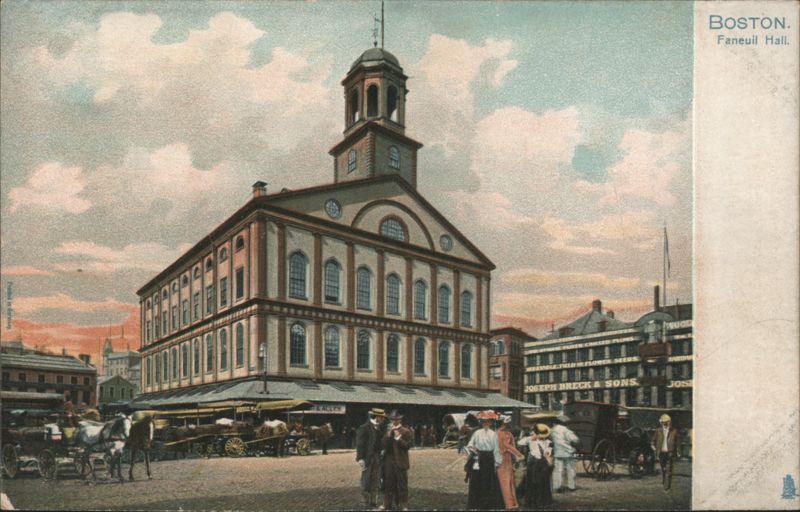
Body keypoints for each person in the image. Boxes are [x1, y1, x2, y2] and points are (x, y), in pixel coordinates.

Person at [465, 411, 504, 510]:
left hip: (489, 458)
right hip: (479, 456)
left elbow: (496, 449)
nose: (486, 424)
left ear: (490, 423)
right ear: (481, 423)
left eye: (488, 422)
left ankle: (487, 504)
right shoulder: (477, 433)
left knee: (488, 480)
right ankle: (475, 504)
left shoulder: (493, 434)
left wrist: (497, 462)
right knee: (476, 480)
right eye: (484, 422)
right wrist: (474, 450)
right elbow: (470, 445)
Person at [356, 408, 387, 508]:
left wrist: (382, 449)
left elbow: (381, 442)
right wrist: (360, 458)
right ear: (377, 417)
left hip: (377, 457)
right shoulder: (364, 427)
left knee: (376, 479)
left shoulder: (380, 429)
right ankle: (364, 502)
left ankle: (374, 501)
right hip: (367, 458)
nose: (383, 419)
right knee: (366, 480)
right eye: (382, 418)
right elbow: (360, 444)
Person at [382, 410, 413, 510]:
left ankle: (403, 504)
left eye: (396, 419)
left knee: (402, 484)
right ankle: (387, 504)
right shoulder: (388, 431)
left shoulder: (406, 431)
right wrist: (388, 434)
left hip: (401, 461)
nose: (394, 421)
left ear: (400, 420)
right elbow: (384, 445)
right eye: (392, 419)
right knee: (388, 484)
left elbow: (408, 446)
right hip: (389, 461)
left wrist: (398, 437)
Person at [519, 424, 553, 509]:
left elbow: (548, 452)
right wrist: (530, 438)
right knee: (533, 482)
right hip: (533, 463)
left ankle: (542, 502)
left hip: (542, 463)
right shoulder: (531, 440)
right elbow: (520, 442)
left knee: (543, 482)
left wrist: (548, 454)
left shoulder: (548, 442)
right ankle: (533, 502)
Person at [496, 416, 524, 510]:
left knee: (506, 480)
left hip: (501, 458)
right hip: (504, 458)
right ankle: (510, 503)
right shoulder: (505, 434)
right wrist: (519, 455)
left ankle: (509, 502)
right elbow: (508, 446)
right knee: (507, 480)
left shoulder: (498, 433)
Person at [550, 414, 580, 493]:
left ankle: (557, 486)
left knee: (558, 470)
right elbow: (575, 440)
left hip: (557, 452)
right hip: (568, 452)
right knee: (570, 469)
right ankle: (571, 486)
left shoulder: (552, 430)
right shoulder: (566, 430)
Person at [653, 414, 679, 491]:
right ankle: (665, 480)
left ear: (669, 422)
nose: (665, 423)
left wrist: (678, 451)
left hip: (670, 452)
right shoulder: (658, 431)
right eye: (663, 422)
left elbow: (677, 442)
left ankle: (667, 486)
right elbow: (653, 440)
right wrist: (655, 448)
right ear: (661, 423)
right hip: (661, 453)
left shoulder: (674, 431)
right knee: (663, 468)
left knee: (669, 469)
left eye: (667, 422)